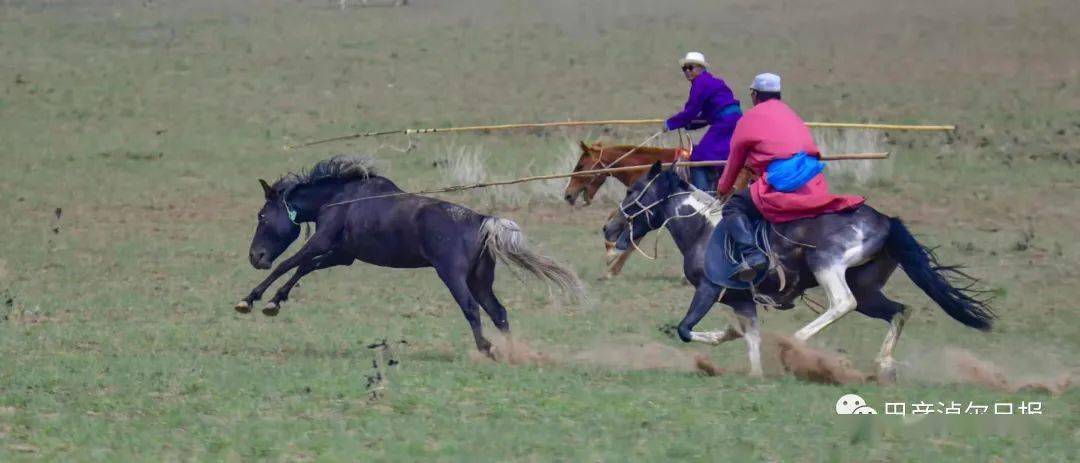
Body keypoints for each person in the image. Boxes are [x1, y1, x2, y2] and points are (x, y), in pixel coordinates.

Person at [715, 73, 865, 281]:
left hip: (782, 185)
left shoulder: (749, 118)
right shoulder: (792, 115)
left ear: (755, 94)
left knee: (734, 206)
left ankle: (753, 256)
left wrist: (723, 189)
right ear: (778, 94)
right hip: (814, 184)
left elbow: (735, 161)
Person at [663, 52, 742, 192]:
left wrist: (670, 124)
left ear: (701, 68)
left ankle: (703, 195)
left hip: (725, 124)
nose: (687, 71)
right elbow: (706, 117)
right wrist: (687, 124)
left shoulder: (700, 83)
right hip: (735, 122)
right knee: (721, 156)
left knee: (700, 159)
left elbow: (691, 111)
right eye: (684, 68)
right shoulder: (713, 82)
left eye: (691, 67)